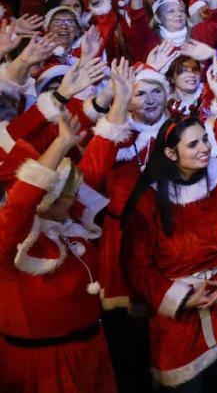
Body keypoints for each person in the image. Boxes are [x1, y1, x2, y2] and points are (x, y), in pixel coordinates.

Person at [121, 116, 217, 389]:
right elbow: (138, 268)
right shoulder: (148, 201)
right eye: (193, 144)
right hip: (180, 322)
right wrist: (184, 299)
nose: (205, 148)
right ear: (171, 154)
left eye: (205, 139)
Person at [0, 117, 117, 393]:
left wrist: (119, 107)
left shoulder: (66, 224)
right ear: (48, 198)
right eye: (70, 195)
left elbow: (95, 168)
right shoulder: (11, 238)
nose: (77, 198)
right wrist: (62, 143)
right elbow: (20, 203)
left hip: (91, 352)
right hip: (42, 365)